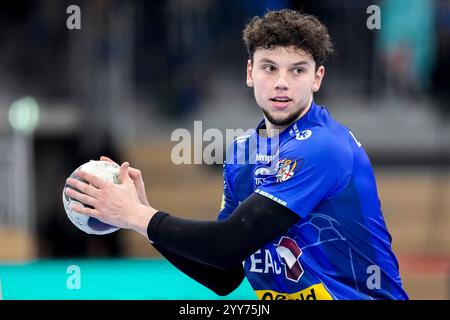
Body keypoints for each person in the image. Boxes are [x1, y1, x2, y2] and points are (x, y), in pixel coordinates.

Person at [64, 9, 408, 300]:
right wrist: (140, 214)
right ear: (250, 73)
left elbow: (226, 245)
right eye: (269, 67)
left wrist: (136, 216)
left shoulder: (324, 147)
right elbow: (224, 275)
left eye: (297, 70)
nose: (282, 82)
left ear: (317, 78)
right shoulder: (244, 151)